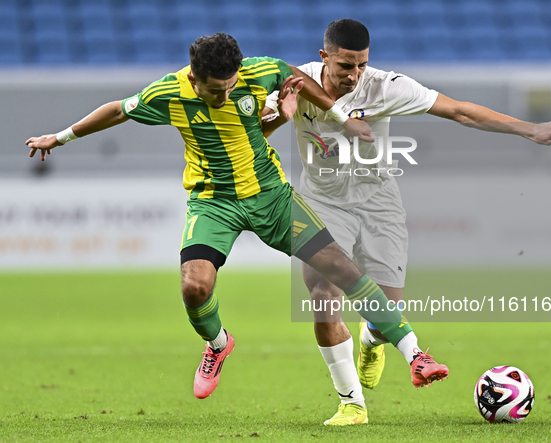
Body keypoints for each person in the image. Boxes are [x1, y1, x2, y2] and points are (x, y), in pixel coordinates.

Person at [25, 33, 417, 419]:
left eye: (231, 87)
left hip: (269, 196)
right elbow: (116, 110)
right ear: (194, 80)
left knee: (342, 270)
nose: (226, 96)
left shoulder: (257, 72)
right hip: (212, 202)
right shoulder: (167, 93)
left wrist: (339, 117)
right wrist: (57, 139)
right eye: (216, 91)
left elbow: (296, 78)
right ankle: (217, 343)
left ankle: (414, 354)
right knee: (194, 287)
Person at [263, 19, 551, 426]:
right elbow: (255, 133)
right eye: (344, 66)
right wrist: (281, 116)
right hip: (323, 202)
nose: (354, 75)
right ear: (324, 58)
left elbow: (459, 111)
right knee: (322, 293)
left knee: (388, 312)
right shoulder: (298, 86)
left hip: (378, 201)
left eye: (361, 65)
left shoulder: (386, 87)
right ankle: (351, 404)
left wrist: (529, 129)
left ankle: (374, 337)